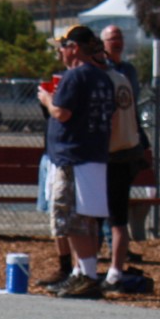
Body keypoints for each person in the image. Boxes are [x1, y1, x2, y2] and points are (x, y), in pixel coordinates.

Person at [36, 24, 114, 299]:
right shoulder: (103, 77)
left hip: (73, 156)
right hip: (94, 154)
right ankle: (81, 273)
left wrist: (47, 99)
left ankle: (89, 275)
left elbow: (62, 112)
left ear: (74, 48)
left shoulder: (75, 76)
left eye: (63, 46)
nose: (60, 52)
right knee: (87, 218)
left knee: (71, 218)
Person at [99, 24, 147, 288]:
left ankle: (114, 263)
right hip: (107, 151)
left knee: (116, 212)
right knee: (102, 210)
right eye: (111, 39)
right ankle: (91, 262)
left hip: (124, 150)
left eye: (119, 38)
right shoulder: (101, 72)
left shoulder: (127, 72)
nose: (116, 42)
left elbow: (131, 109)